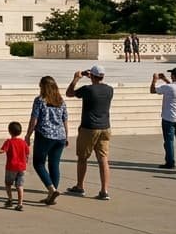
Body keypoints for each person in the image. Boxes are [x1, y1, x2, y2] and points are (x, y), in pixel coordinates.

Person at [66, 65, 114, 199]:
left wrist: (76, 78)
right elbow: (98, 86)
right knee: (103, 159)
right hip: (105, 127)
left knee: (82, 158)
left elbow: (69, 93)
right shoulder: (110, 89)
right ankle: (104, 190)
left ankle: (80, 186)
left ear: (92, 75)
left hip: (89, 127)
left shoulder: (88, 89)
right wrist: (92, 77)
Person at [25, 75, 68, 206]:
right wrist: (66, 135)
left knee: (38, 163)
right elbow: (65, 119)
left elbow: (34, 120)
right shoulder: (61, 101)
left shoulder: (40, 100)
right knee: (54, 164)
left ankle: (51, 189)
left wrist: (28, 135)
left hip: (45, 135)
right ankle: (52, 195)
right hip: (60, 136)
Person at [150, 68, 176, 169]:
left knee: (169, 141)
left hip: (169, 118)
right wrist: (165, 80)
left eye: (172, 74)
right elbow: (173, 87)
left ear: (174, 76)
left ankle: (170, 162)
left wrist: (154, 80)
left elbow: (152, 90)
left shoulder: (168, 87)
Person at [0, 122, 29, 211]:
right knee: (20, 186)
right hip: (22, 167)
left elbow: (2, 151)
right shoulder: (23, 142)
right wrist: (26, 162)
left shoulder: (9, 142)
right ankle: (20, 203)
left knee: (8, 184)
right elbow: (27, 153)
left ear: (9, 131)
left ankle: (10, 199)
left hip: (11, 167)